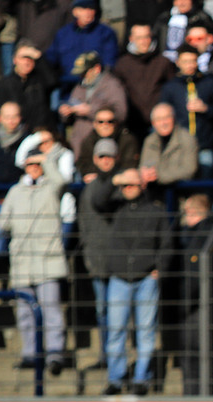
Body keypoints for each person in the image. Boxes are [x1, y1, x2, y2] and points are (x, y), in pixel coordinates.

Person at [96, 168, 173, 396]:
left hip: (146, 278)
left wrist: (159, 268)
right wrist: (117, 178)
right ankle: (116, 379)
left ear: (142, 186)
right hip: (119, 278)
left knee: (146, 331)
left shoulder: (155, 211)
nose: (127, 189)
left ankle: (141, 378)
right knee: (116, 331)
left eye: (132, 185)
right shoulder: (115, 206)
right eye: (125, 186)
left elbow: (167, 242)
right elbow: (97, 198)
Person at [0, 148, 69, 375]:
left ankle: (55, 354)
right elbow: (2, 223)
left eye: (37, 164)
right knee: (25, 312)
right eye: (30, 164)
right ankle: (30, 353)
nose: (34, 168)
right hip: (23, 260)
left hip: (48, 259)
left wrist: (46, 162)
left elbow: (61, 180)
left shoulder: (51, 188)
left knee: (51, 309)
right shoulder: (15, 192)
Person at [174, 193, 213, 396]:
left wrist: (181, 305)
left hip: (198, 308)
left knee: (194, 358)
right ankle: (208, 395)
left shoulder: (199, 238)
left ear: (193, 211)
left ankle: (196, 399)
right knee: (206, 359)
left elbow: (194, 279)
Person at [77, 137, 122, 371]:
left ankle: (118, 361)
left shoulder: (124, 186)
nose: (106, 161)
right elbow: (84, 224)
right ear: (95, 159)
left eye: (110, 156)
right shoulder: (88, 189)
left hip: (120, 263)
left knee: (120, 314)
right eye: (101, 157)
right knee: (102, 310)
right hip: (97, 260)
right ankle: (106, 357)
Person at [159, 44, 213, 179]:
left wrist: (206, 109)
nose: (190, 65)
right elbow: (163, 113)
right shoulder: (171, 87)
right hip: (180, 146)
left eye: (193, 61)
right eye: (185, 61)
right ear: (178, 63)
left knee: (207, 181)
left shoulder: (209, 82)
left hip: (205, 144)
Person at [59, 52, 128, 163]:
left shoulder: (112, 85)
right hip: (79, 145)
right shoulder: (79, 87)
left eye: (85, 72)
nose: (82, 76)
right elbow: (69, 119)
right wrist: (66, 113)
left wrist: (91, 111)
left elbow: (121, 113)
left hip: (101, 146)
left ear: (96, 69)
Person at [113, 22, 177, 136]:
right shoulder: (122, 64)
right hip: (132, 124)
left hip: (159, 123)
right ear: (131, 39)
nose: (143, 41)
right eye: (139, 38)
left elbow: (173, 91)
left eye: (146, 37)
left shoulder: (163, 62)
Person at [75, 106, 141, 181]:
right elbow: (83, 164)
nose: (105, 125)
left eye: (110, 121)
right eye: (101, 122)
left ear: (116, 123)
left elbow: (129, 164)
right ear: (94, 124)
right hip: (96, 180)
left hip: (120, 180)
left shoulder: (127, 140)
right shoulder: (88, 141)